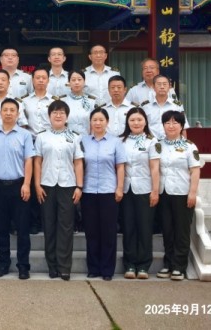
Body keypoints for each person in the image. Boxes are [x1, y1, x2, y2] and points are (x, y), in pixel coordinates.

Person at [33, 100, 84, 281]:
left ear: (67, 117)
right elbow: (37, 162)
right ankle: (52, 266)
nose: (58, 115)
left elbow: (78, 162)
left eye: (62, 112)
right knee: (49, 225)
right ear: (49, 116)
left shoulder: (75, 137)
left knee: (66, 226)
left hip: (67, 185)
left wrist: (79, 186)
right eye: (54, 112)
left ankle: (64, 267)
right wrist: (37, 185)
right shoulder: (42, 137)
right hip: (46, 185)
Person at [0, 98, 35, 280]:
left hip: (19, 185)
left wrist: (27, 184)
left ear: (18, 114)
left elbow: (29, 161)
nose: (8, 113)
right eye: (5, 110)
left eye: (12, 110)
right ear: (0, 113)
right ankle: (3, 264)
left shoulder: (24, 135)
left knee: (22, 229)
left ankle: (23, 266)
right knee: (1, 229)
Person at [81, 107, 126, 281]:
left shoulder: (115, 142)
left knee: (108, 232)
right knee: (91, 231)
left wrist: (119, 188)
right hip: (88, 190)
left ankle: (107, 269)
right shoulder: (83, 141)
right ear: (90, 122)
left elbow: (120, 166)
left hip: (109, 191)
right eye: (95, 120)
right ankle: (93, 268)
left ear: (107, 122)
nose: (98, 123)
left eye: (101, 120)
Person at [156, 110, 201, 281]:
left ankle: (179, 267)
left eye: (175, 122)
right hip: (163, 192)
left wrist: (193, 193)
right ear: (163, 125)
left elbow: (195, 171)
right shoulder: (158, 145)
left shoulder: (190, 146)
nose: (171, 126)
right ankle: (168, 264)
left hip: (182, 192)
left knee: (182, 231)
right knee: (167, 230)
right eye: (167, 122)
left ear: (182, 126)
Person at [118, 107, 160, 280]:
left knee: (144, 227)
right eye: (132, 120)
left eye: (139, 120)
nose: (136, 123)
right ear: (127, 122)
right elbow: (119, 166)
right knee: (128, 227)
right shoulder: (121, 141)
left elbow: (155, 168)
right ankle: (129, 264)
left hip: (145, 189)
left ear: (145, 122)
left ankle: (143, 265)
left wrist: (155, 191)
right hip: (126, 189)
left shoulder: (152, 141)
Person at [22, 65, 56, 235]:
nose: (41, 81)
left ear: (48, 80)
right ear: (33, 80)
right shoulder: (24, 101)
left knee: (47, 180)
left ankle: (48, 220)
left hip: (50, 144)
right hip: (31, 143)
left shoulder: (55, 102)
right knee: (31, 181)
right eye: (37, 78)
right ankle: (33, 221)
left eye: (44, 78)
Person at [142, 74, 189, 140]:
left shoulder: (177, 105)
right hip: (151, 142)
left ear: (169, 87)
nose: (162, 87)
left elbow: (183, 126)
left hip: (172, 142)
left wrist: (184, 143)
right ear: (153, 87)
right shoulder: (145, 106)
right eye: (159, 84)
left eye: (164, 84)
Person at [61, 70, 96, 136]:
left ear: (84, 82)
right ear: (69, 82)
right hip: (67, 138)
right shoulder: (63, 101)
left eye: (79, 80)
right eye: (73, 80)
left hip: (86, 138)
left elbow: (94, 123)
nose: (76, 82)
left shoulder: (91, 101)